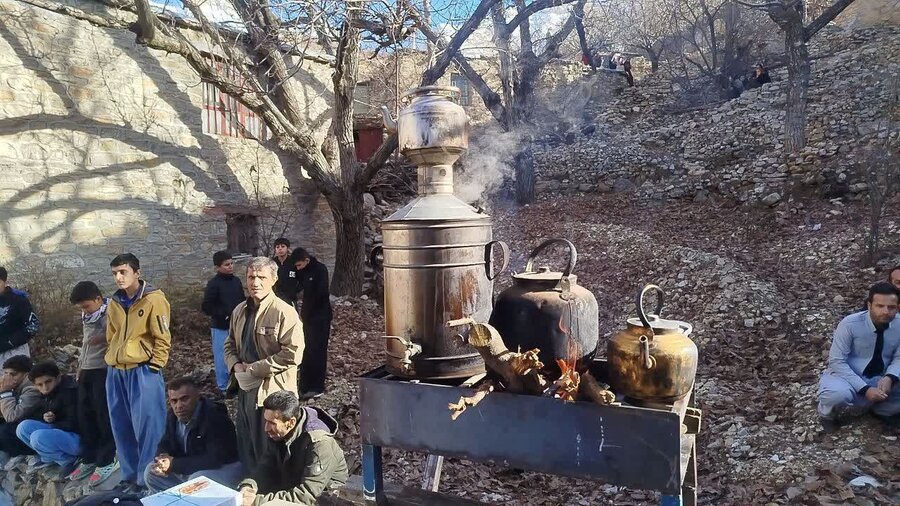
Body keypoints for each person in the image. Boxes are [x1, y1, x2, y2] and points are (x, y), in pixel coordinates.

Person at [224, 257, 304, 471]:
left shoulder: (284, 312)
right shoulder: (239, 310)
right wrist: (235, 365)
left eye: (261, 277)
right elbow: (229, 344)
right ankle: (250, 491)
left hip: (273, 394)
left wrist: (256, 368)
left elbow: (293, 353)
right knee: (246, 445)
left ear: (274, 280)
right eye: (251, 277)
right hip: (245, 391)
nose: (255, 283)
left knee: (269, 450)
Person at [105, 253, 171, 494]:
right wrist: (114, 357)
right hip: (116, 371)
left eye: (123, 272)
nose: (119, 278)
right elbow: (111, 335)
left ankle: (147, 478)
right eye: (115, 273)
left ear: (136, 272)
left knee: (149, 425)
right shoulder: (114, 302)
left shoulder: (154, 299)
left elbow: (163, 336)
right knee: (121, 425)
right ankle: (129, 475)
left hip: (143, 370)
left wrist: (155, 365)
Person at [237, 391, 348, 506]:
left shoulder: (320, 444)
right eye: (266, 421)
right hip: (293, 487)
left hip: (325, 499)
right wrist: (249, 485)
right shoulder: (278, 432)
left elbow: (308, 495)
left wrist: (256, 501)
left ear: (290, 423)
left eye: (272, 423)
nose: (266, 428)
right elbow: (266, 467)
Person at [817, 282, 900, 432]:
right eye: (880, 306)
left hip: (881, 377)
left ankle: (884, 410)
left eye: (891, 307)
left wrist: (890, 377)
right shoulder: (850, 324)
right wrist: (865, 389)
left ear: (898, 307)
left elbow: (899, 358)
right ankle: (827, 414)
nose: (886, 311)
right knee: (835, 395)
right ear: (869, 305)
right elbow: (837, 361)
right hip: (848, 376)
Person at [143, 377, 242, 493]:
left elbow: (214, 459)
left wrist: (173, 464)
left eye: (184, 399)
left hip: (226, 469)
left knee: (196, 481)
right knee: (150, 472)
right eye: (174, 401)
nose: (179, 406)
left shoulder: (214, 417)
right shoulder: (172, 416)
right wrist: (161, 460)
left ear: (197, 396)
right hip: (191, 469)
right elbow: (165, 443)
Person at [68, 281, 119, 484]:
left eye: (87, 306)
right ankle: (90, 457)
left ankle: (108, 459)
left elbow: (120, 337)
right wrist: (80, 365)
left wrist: (104, 338)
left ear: (98, 299)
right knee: (85, 414)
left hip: (103, 370)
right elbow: (85, 341)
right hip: (87, 369)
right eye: (81, 308)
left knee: (102, 414)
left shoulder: (110, 313)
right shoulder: (88, 315)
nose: (85, 310)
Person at [15, 361, 80, 476]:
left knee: (37, 437)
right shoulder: (48, 394)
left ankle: (68, 460)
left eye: (48, 381)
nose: (45, 387)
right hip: (63, 434)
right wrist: (44, 417)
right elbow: (32, 414)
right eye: (40, 385)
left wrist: (55, 420)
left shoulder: (70, 391)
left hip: (79, 440)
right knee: (23, 428)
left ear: (58, 378)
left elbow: (76, 423)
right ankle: (50, 457)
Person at [291, 248, 333, 400]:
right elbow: (297, 284)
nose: (298, 269)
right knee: (306, 350)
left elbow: (321, 294)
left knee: (318, 351)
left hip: (320, 317)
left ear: (307, 261)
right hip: (307, 318)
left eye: (300, 265)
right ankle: (304, 385)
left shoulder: (320, 270)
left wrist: (310, 310)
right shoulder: (302, 271)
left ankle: (317, 386)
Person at [202, 251, 246, 392]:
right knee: (222, 357)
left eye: (232, 263)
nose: (230, 267)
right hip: (221, 327)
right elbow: (207, 306)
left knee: (239, 355)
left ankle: (239, 383)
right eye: (227, 265)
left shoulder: (236, 281)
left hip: (238, 325)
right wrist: (223, 314)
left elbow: (242, 301)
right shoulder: (214, 284)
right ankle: (223, 387)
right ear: (217, 267)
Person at [0, 355, 41, 470]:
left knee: (3, 433)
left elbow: (12, 416)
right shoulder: (16, 386)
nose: (7, 378)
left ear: (26, 374)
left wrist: (5, 392)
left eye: (13, 374)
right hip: (19, 425)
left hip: (31, 432)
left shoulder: (33, 388)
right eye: (5, 373)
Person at [0, 266, 40, 363]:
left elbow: (33, 325)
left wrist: (10, 341)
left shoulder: (18, 300)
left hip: (14, 353)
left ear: (4, 282)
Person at [271, 238, 297, 305]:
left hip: (291, 298)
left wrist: (294, 290)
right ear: (275, 249)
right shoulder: (272, 263)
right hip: (276, 298)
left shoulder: (294, 262)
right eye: (277, 247)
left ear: (287, 248)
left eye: (283, 246)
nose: (280, 249)